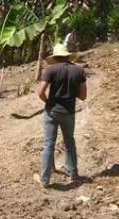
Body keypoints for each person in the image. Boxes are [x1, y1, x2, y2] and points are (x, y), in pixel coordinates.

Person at [34, 43, 87, 188]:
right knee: (69, 141)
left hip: (52, 112)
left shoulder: (50, 69)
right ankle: (73, 173)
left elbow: (40, 92)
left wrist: (48, 101)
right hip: (69, 112)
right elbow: (83, 96)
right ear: (68, 55)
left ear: (55, 57)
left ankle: (44, 179)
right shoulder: (79, 70)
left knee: (48, 144)